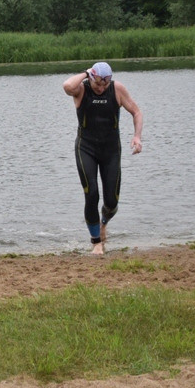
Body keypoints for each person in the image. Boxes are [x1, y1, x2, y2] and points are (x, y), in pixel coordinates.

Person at [63, 61, 143, 256]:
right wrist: (86, 73)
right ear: (91, 78)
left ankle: (103, 222)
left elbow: (137, 112)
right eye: (98, 83)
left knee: (112, 201)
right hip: (86, 148)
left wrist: (137, 136)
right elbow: (67, 86)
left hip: (111, 150)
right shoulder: (81, 89)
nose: (101, 88)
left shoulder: (117, 89)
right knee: (91, 194)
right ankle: (96, 242)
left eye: (104, 84)